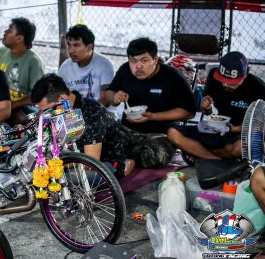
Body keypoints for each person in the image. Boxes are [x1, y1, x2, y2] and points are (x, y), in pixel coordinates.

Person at [31, 73, 177, 177]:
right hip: (116, 143)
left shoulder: (91, 112)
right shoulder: (62, 109)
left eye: (47, 110)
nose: (44, 114)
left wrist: (54, 163)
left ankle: (129, 161)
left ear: (62, 99)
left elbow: (90, 162)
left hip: (113, 158)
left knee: (157, 153)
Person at [104, 37, 196, 168]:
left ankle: (123, 156)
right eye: (133, 61)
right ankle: (126, 155)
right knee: (101, 139)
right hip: (127, 130)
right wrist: (115, 97)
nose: (138, 66)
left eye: (144, 60)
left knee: (156, 156)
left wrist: (154, 116)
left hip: (160, 134)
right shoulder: (125, 71)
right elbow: (109, 93)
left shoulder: (172, 76)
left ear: (155, 60)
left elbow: (188, 112)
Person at [168, 51, 265, 160]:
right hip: (214, 130)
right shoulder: (213, 77)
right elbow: (208, 113)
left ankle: (199, 153)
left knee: (241, 148)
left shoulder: (258, 88)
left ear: (245, 75)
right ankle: (216, 160)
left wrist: (236, 129)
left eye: (231, 82)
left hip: (239, 133)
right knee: (173, 133)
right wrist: (206, 107)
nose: (225, 84)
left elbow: (260, 125)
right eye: (222, 80)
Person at [0, 17, 44, 125]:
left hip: (18, 108)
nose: (5, 32)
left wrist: (12, 105)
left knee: (22, 119)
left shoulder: (34, 61)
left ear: (19, 38)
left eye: (10, 30)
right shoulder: (0, 53)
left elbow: (38, 95)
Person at [58, 24, 114, 106]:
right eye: (69, 44)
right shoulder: (65, 67)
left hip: (101, 113)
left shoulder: (104, 65)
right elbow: (61, 98)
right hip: (76, 114)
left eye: (76, 45)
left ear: (89, 47)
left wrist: (81, 111)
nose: (70, 50)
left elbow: (105, 100)